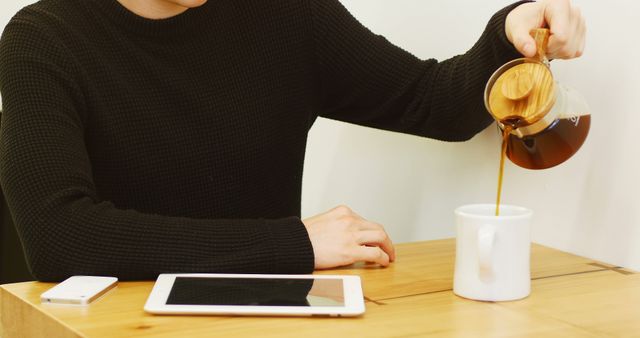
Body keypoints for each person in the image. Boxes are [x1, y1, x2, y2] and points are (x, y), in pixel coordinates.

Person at [0, 0, 585, 282]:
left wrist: (511, 34)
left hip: (266, 321)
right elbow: (61, 238)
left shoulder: (286, 16)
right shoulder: (42, 40)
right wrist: (295, 245)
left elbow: (433, 102)